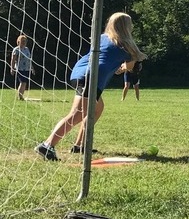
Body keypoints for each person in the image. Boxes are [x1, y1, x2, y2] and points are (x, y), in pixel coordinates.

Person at [35, 12, 146, 160]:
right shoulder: (126, 44)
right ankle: (47, 145)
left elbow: (108, 57)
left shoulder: (102, 38)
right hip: (91, 77)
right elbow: (131, 65)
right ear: (126, 27)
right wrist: (129, 66)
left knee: (97, 108)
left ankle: (79, 145)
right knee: (77, 114)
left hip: (79, 72)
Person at [9, 34, 33, 101]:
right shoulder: (16, 49)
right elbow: (13, 60)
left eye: (25, 41)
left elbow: (29, 59)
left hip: (27, 68)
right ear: (18, 41)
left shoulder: (27, 49)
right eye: (22, 41)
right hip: (20, 68)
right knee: (22, 82)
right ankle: (20, 96)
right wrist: (12, 68)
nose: (24, 42)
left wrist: (32, 68)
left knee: (24, 83)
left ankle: (21, 96)